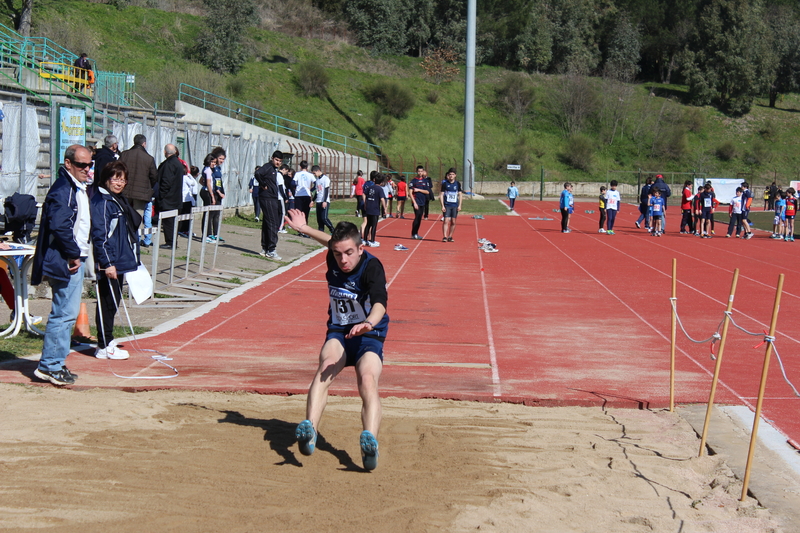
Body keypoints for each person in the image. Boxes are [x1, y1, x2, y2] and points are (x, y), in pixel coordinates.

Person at [282, 210, 389, 471]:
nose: (343, 260)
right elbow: (329, 241)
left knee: (367, 380)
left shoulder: (372, 267)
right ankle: (310, 431)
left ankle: (369, 442)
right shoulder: (335, 254)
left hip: (369, 336)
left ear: (361, 248)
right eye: (338, 254)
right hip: (340, 332)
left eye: (349, 253)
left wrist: (368, 323)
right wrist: (304, 228)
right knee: (326, 366)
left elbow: (379, 303)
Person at [31, 145, 94, 386]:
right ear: (68, 164)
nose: (87, 170)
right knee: (64, 314)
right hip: (66, 260)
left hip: (75, 257)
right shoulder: (63, 189)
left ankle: (55, 361)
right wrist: (73, 254)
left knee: (67, 313)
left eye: (89, 165)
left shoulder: (77, 187)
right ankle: (49, 366)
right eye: (81, 165)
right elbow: (59, 225)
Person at [90, 161, 142, 360]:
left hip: (120, 259)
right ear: (106, 179)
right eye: (115, 178)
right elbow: (100, 236)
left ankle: (107, 339)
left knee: (113, 301)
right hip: (109, 262)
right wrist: (107, 263)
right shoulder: (103, 202)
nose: (119, 183)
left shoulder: (117, 200)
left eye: (123, 179)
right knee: (106, 302)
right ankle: (103, 345)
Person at [119, 134, 157, 247]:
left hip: (124, 189)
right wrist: (148, 186)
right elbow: (154, 176)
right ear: (144, 144)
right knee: (138, 216)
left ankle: (124, 236)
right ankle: (136, 238)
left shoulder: (124, 154)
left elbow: (118, 169)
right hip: (141, 192)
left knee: (123, 213)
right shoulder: (149, 158)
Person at [255, 151, 285, 259]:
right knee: (273, 222)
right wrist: (263, 184)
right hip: (267, 198)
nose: (278, 163)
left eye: (280, 161)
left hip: (272, 197)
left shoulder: (274, 169)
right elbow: (258, 173)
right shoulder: (268, 167)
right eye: (276, 160)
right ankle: (271, 249)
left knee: (267, 223)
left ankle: (265, 248)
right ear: (272, 158)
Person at [155, 144, 184, 249]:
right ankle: (172, 241)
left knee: (168, 222)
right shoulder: (177, 163)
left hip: (168, 198)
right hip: (175, 197)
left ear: (165, 152)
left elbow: (166, 182)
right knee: (172, 222)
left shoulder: (169, 164)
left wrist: (160, 195)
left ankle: (170, 242)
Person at [208, 148, 226, 243]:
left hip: (219, 193)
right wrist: (217, 192)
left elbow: (219, 182)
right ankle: (208, 234)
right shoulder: (212, 168)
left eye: (223, 159)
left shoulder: (218, 168)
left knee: (217, 215)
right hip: (214, 193)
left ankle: (216, 233)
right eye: (220, 158)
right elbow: (212, 181)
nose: (221, 161)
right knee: (210, 214)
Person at [363, 173, 386, 247]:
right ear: (381, 182)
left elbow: (364, 194)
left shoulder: (370, 187)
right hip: (375, 209)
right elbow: (382, 199)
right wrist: (385, 209)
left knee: (368, 224)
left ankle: (365, 239)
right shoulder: (380, 189)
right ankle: (372, 241)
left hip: (369, 208)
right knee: (374, 225)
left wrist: (365, 203)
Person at [440, 167, 462, 242]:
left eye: (453, 174)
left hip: (455, 205)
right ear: (448, 175)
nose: (451, 176)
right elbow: (441, 195)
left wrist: (460, 205)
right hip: (447, 205)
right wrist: (442, 205)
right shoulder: (445, 184)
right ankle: (445, 236)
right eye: (450, 174)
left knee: (453, 221)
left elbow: (460, 195)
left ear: (455, 175)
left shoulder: (457, 184)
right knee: (446, 221)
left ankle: (450, 236)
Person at [312, 165, 335, 233]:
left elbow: (326, 190)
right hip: (318, 201)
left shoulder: (325, 179)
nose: (314, 175)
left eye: (314, 173)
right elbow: (317, 191)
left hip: (324, 201)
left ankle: (333, 230)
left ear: (318, 171)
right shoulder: (317, 180)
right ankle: (321, 232)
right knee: (319, 219)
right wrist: (313, 200)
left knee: (324, 218)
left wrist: (324, 201)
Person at [178, 165, 199, 238]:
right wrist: (190, 176)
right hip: (187, 200)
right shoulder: (186, 178)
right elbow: (193, 183)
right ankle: (185, 230)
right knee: (188, 215)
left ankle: (181, 229)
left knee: (182, 215)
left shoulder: (179, 178)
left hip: (181, 199)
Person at [410, 166, 431, 239]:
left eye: (421, 171)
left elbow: (427, 192)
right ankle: (413, 233)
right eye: (419, 171)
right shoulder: (413, 181)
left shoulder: (425, 181)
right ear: (416, 171)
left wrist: (418, 190)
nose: (420, 173)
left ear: (423, 172)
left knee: (419, 218)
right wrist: (414, 202)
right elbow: (410, 192)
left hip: (423, 202)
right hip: (416, 201)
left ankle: (416, 233)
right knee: (417, 216)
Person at [294, 160, 315, 229]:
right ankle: (305, 227)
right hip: (307, 195)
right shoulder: (310, 175)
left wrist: (295, 187)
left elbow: (293, 183)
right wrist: (311, 189)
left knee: (299, 212)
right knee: (306, 212)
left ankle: (299, 227)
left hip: (298, 195)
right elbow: (316, 183)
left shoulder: (297, 174)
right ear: (307, 167)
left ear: (300, 167)